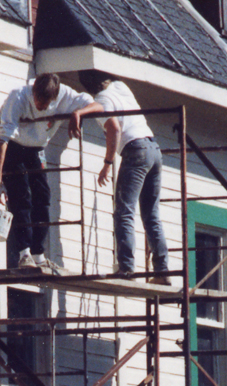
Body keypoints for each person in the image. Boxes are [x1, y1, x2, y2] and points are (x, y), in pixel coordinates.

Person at [71, 71, 169, 284]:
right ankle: (161, 271)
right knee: (151, 215)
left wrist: (107, 163)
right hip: (154, 149)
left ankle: (126, 268)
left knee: (124, 211)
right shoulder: (121, 87)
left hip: (135, 150)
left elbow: (113, 126)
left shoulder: (102, 99)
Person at [0, 74, 93, 275]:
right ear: (33, 91)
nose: (41, 106)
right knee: (22, 197)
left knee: (43, 196)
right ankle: (24, 253)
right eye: (38, 100)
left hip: (36, 147)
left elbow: (97, 105)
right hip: (14, 144)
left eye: (46, 103)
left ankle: (39, 253)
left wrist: (77, 113)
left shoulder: (64, 95)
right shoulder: (18, 97)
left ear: (55, 98)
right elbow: (3, 141)